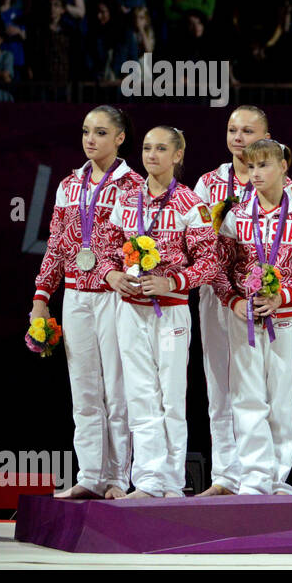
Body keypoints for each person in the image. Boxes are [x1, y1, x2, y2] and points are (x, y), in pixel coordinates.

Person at [32, 106, 143, 499]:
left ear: (120, 138)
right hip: (76, 296)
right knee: (84, 388)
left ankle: (117, 478)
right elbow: (57, 244)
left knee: (117, 389)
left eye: (99, 132)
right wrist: (41, 298)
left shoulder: (133, 185)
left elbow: (139, 246)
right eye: (85, 132)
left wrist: (127, 280)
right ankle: (90, 474)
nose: (90, 139)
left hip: (115, 298)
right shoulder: (68, 184)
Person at [100, 127, 215, 498]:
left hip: (171, 312)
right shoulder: (126, 200)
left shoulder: (189, 204)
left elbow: (209, 263)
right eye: (147, 147)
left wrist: (173, 283)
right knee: (140, 394)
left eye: (161, 148)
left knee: (171, 395)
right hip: (130, 310)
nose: (152, 155)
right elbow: (104, 249)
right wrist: (112, 273)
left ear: (177, 155)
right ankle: (148, 480)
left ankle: (171, 482)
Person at [212, 140, 292, 495]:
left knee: (281, 400)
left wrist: (284, 296)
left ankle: (277, 478)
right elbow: (219, 268)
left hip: (286, 318)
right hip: (243, 319)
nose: (256, 174)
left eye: (264, 166)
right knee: (247, 398)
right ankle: (253, 478)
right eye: (250, 167)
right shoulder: (235, 216)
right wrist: (232, 301)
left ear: (283, 167)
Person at [191, 106, 292, 496]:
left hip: (262, 303)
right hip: (217, 295)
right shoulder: (207, 183)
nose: (238, 137)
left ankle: (268, 475)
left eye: (248, 131)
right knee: (220, 384)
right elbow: (197, 243)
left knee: (264, 389)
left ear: (267, 136)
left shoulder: (281, 183)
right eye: (232, 129)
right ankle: (225, 475)